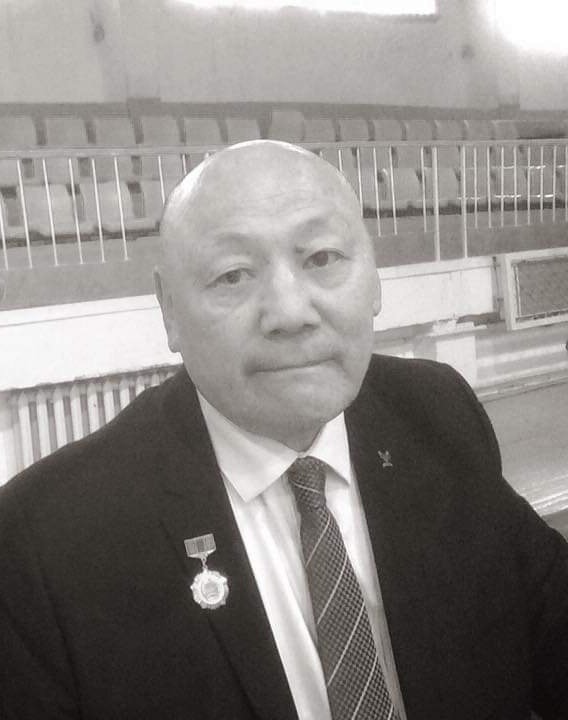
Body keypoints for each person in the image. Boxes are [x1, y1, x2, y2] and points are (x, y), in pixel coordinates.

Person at [1, 140, 567, 720]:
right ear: (169, 309)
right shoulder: (48, 542)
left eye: (321, 258)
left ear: (375, 279)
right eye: (232, 275)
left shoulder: (435, 415)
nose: (291, 313)